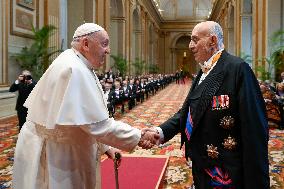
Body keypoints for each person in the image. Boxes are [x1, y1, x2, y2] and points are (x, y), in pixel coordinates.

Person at [12, 23, 159, 189]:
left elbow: (88, 119)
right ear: (86, 44)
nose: (108, 50)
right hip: (57, 155)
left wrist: (105, 147)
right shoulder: (74, 69)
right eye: (104, 44)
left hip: (67, 147)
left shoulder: (78, 64)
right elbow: (97, 125)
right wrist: (139, 135)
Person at [146, 21, 269, 188]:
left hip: (225, 171)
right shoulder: (203, 71)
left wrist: (257, 182)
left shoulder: (237, 69)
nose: (190, 46)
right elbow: (190, 111)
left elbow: (255, 130)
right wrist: (160, 132)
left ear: (212, 41)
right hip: (201, 164)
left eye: (195, 40)